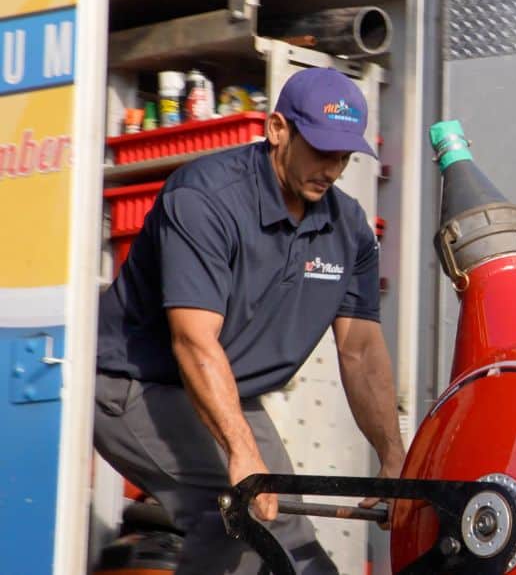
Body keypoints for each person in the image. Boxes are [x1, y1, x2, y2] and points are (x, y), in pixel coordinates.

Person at [94, 67, 406, 574]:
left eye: (344, 156)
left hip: (225, 389)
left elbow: (362, 351)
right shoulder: (205, 199)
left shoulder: (347, 227)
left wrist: (393, 458)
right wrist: (241, 451)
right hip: (134, 384)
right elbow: (193, 341)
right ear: (278, 129)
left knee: (296, 547)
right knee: (238, 519)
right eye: (322, 150)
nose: (332, 168)